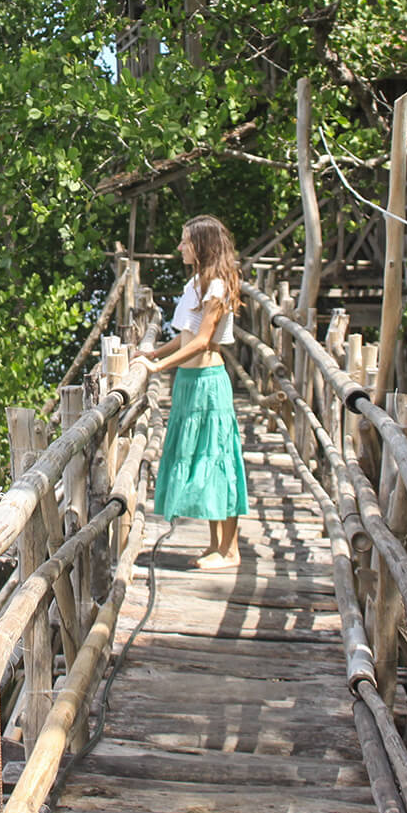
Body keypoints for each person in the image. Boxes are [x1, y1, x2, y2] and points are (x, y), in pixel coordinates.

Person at [133, 214, 249, 570]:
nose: (180, 247)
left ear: (202, 246)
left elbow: (202, 341)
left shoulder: (217, 287)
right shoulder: (197, 283)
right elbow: (184, 336)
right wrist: (154, 353)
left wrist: (158, 368)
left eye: (185, 241)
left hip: (208, 383)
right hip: (188, 384)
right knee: (202, 459)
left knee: (217, 459)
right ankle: (215, 545)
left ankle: (230, 550)